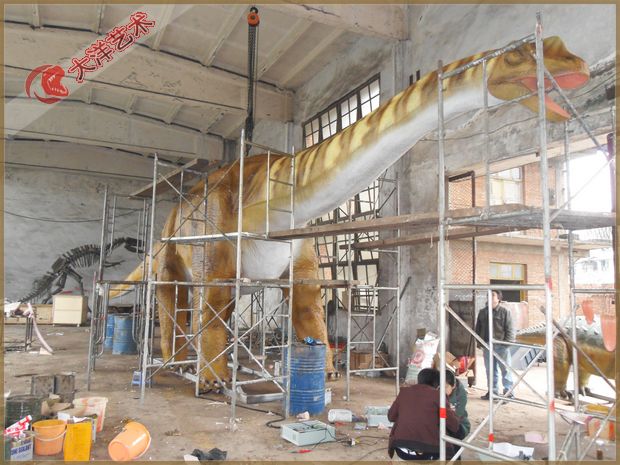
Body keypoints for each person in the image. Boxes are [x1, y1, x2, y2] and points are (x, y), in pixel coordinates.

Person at [387, 368, 460, 460]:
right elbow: (453, 425)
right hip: (427, 453)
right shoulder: (438, 396)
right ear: (437, 384)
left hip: (401, 450)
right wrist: (449, 412)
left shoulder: (404, 392)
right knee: (455, 437)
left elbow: (391, 416)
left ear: (419, 379)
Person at [474, 289, 515, 400]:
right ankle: (493, 393)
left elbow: (510, 329)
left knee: (506, 370)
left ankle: (508, 393)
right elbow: (478, 329)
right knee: (490, 371)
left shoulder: (504, 312)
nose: (490, 296)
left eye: (493, 295)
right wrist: (480, 343)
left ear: (498, 299)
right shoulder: (483, 312)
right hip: (487, 346)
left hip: (501, 346)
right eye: (488, 294)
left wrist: (506, 344)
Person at [445, 369, 470, 440]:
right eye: (440, 386)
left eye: (446, 387)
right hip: (443, 421)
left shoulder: (461, 395)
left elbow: (458, 415)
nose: (442, 390)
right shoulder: (437, 391)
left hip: (459, 423)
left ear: (453, 386)